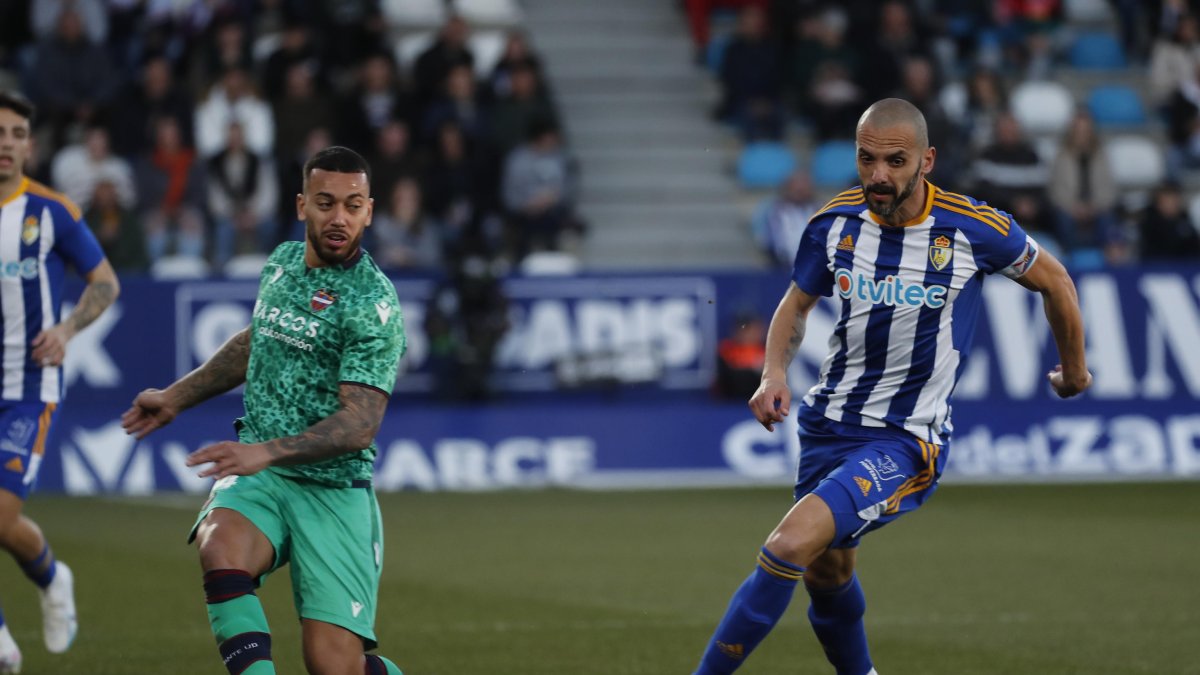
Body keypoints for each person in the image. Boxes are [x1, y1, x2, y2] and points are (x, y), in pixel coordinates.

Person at [691, 98, 1092, 675]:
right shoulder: (833, 224)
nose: (878, 175)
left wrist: (1074, 369)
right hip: (828, 424)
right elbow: (795, 304)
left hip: (905, 439)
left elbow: (1056, 281)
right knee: (827, 572)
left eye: (895, 161)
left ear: (926, 161)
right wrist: (774, 373)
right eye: (867, 159)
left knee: (787, 546)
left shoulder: (972, 228)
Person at [121, 146, 407, 675]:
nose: (338, 217)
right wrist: (175, 397)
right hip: (264, 478)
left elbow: (360, 425)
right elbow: (257, 343)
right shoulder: (279, 264)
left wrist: (265, 452)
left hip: (333, 491)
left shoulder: (374, 306)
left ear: (369, 211)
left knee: (331, 665)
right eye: (325, 203)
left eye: (352, 205)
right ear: (302, 206)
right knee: (220, 545)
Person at [0, 89, 121, 673]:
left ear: (31, 145)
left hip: (27, 385)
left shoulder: (51, 212)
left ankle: (51, 577)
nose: (6, 143)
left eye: (17, 134)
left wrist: (69, 329)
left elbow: (105, 283)